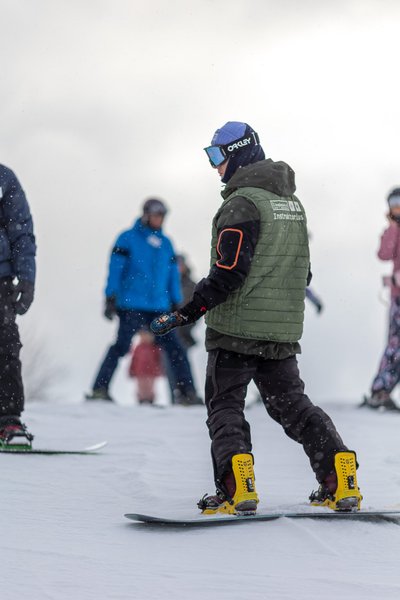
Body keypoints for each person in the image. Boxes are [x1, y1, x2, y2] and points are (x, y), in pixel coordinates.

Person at [151, 121, 362, 514]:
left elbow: (227, 273)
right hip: (280, 333)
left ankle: (237, 489)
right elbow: (305, 272)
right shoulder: (292, 206)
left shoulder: (241, 204)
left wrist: (186, 313)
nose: (215, 167)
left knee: (225, 406)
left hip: (236, 331)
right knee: (293, 406)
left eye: (217, 157)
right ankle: (340, 475)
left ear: (238, 153)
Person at [86, 198, 202, 406]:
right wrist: (110, 296)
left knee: (176, 348)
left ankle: (188, 394)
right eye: (155, 215)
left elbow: (171, 276)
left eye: (162, 216)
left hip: (159, 306)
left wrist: (176, 302)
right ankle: (99, 389)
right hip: (131, 304)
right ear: (146, 214)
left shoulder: (166, 244)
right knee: (121, 346)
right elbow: (115, 269)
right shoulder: (127, 238)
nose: (159, 219)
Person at [0, 164, 36, 446]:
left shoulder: (4, 178)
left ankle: (8, 419)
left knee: (6, 344)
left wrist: (26, 278)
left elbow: (21, 230)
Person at [363, 188, 400, 411]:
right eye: (393, 203)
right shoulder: (393, 229)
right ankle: (380, 391)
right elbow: (383, 254)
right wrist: (393, 228)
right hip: (397, 298)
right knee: (395, 345)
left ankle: (381, 390)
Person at [128, 329, 164, 405]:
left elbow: (159, 360)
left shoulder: (155, 348)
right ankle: (141, 399)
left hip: (152, 372)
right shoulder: (137, 347)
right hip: (139, 372)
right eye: (143, 335)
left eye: (147, 335)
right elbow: (134, 360)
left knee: (150, 387)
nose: (145, 337)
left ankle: (150, 399)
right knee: (141, 387)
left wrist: (161, 370)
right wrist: (131, 370)